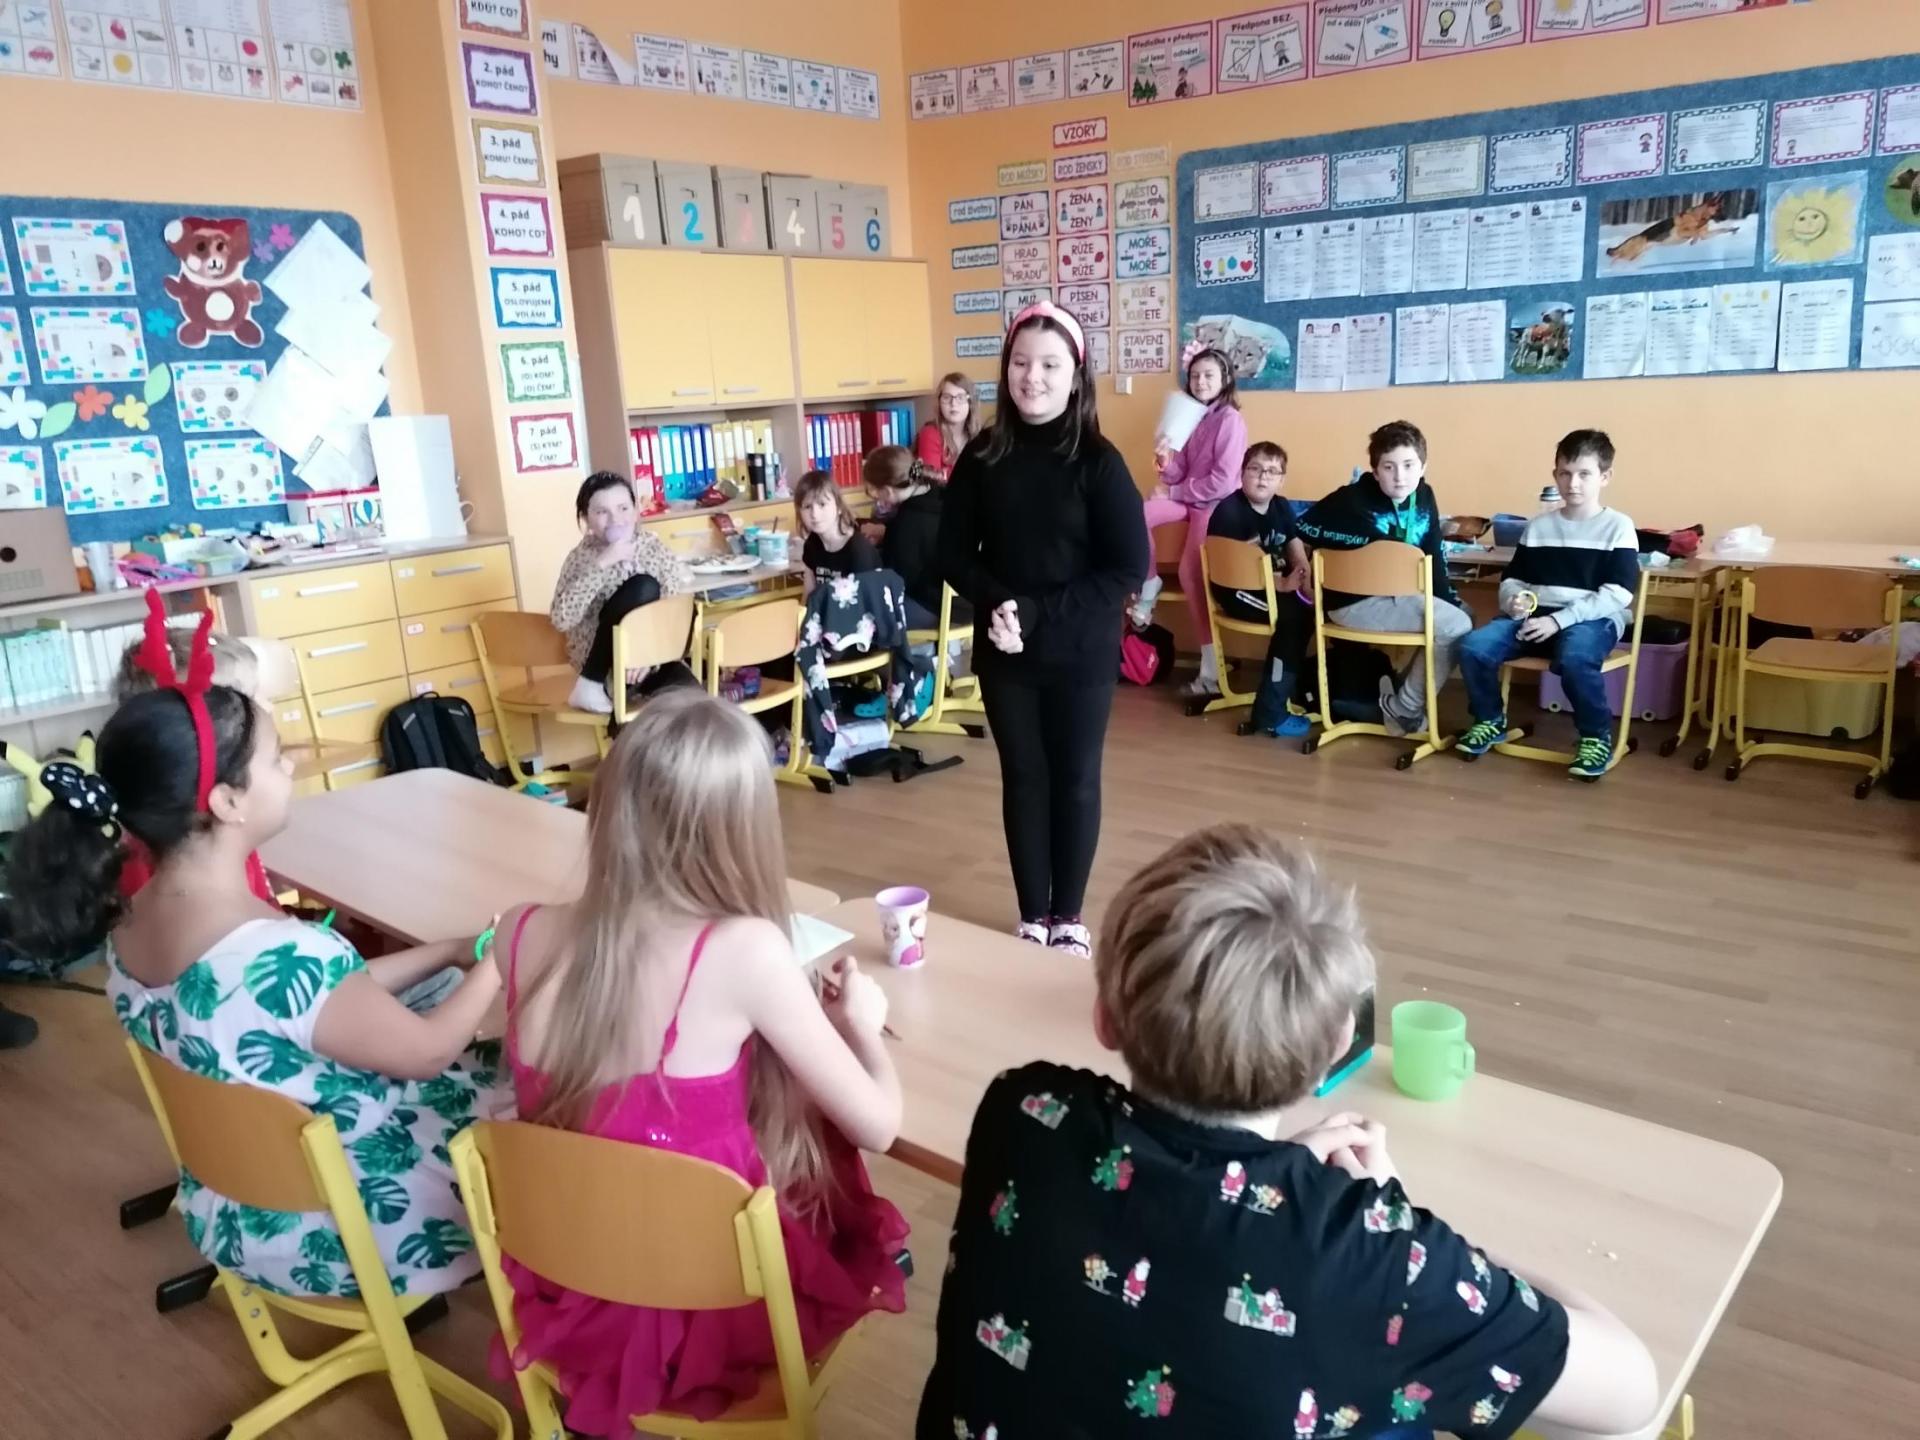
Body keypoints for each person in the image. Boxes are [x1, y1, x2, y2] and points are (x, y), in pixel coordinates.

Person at [917, 823, 1660, 1440]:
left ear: (1104, 1017)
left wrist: (1273, 1183)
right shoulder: (1378, 1258)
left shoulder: (1023, 1109)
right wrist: (1396, 1226)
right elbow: (1633, 1391)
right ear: (1335, 1049)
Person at [6, 671, 508, 1297]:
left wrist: (449, 952)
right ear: (226, 801)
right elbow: (427, 1052)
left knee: (455, 1011)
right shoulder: (282, 952)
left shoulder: (130, 925)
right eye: (275, 758)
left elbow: (322, 1000)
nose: (291, 765)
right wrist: (498, 958)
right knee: (527, 1081)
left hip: (240, 1209)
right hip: (353, 1224)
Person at [491, 690, 907, 1435]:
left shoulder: (516, 932)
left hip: (575, 1281)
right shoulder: (748, 952)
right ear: (741, 828)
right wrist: (862, 1026)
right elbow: (878, 1126)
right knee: (821, 1160)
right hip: (710, 1311)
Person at [939, 301, 1147, 956]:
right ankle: (1033, 916)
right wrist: (1000, 604)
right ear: (1006, 371)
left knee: (1076, 779)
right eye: (1021, 363)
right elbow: (951, 555)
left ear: (1075, 375)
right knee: (1024, 778)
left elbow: (1128, 567)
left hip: (1080, 648)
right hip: (1006, 648)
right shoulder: (982, 455)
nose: (1033, 377)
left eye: (1050, 365)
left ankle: (1069, 918)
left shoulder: (1099, 461)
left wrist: (1034, 612)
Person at [1457, 430, 1639, 780]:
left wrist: (1559, 621)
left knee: (1576, 658)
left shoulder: (1618, 527)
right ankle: (1489, 720)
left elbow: (1618, 593)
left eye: (1584, 474)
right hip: (1534, 617)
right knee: (1474, 647)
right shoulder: (1539, 526)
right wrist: (1513, 600)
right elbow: (1513, 578)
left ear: (1605, 477)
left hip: (1591, 620)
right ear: (1555, 474)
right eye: (1565, 473)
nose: (1573, 483)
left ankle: (1595, 737)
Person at [1295, 420, 1470, 736]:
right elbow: (1302, 528)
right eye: (1389, 467)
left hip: (1401, 596)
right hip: (1352, 603)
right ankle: (1404, 709)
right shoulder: (1351, 498)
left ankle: (1401, 697)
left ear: (1423, 467)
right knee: (1455, 625)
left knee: (1463, 616)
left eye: (1408, 465)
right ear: (1375, 471)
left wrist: (1448, 599)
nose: (1400, 476)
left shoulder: (1424, 496)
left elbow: (1433, 555)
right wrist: (1363, 544)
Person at [1136, 346, 1248, 700]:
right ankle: (1150, 584)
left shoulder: (1230, 419)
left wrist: (1173, 491)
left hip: (1214, 506)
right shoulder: (1190, 415)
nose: (1200, 382)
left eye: (1208, 375)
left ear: (1225, 379)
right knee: (1136, 516)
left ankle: (1211, 672)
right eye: (1195, 376)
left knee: (1190, 574)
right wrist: (1165, 461)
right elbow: (1179, 473)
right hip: (1188, 499)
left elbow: (1223, 483)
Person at [550, 471, 692, 715]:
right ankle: (590, 684)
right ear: (586, 519)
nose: (615, 519)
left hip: (652, 660)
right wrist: (601, 565)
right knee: (643, 586)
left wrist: (649, 655)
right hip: (607, 669)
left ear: (636, 511)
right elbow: (561, 619)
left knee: (693, 701)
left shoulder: (653, 548)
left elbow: (675, 612)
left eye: (623, 508)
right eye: (601, 512)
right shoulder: (580, 559)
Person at [1206, 441, 1313, 740]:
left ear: (1281, 480)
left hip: (1272, 586)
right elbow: (1237, 570)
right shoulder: (1230, 512)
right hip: (1237, 590)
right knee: (1294, 620)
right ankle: (1270, 712)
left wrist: (1305, 579)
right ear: (1242, 473)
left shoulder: (1281, 506)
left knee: (1312, 610)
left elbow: (1294, 546)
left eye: (1272, 471)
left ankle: (1292, 692)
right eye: (1255, 469)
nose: (1263, 476)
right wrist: (1282, 585)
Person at [864, 444, 971, 630]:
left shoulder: (908, 520)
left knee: (865, 611)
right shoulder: (941, 492)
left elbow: (897, 580)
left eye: (874, 493)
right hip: (970, 601)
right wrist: (888, 533)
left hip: (941, 609)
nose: (876, 499)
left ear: (888, 491)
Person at [794, 468, 881, 598]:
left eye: (822, 504)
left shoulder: (858, 550)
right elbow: (808, 595)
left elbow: (866, 602)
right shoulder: (812, 543)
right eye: (807, 507)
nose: (814, 514)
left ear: (839, 507)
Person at [915, 372, 979, 483]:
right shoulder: (930, 433)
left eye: (960, 397)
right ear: (939, 402)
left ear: (970, 402)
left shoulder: (978, 436)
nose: (953, 403)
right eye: (946, 397)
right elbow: (932, 484)